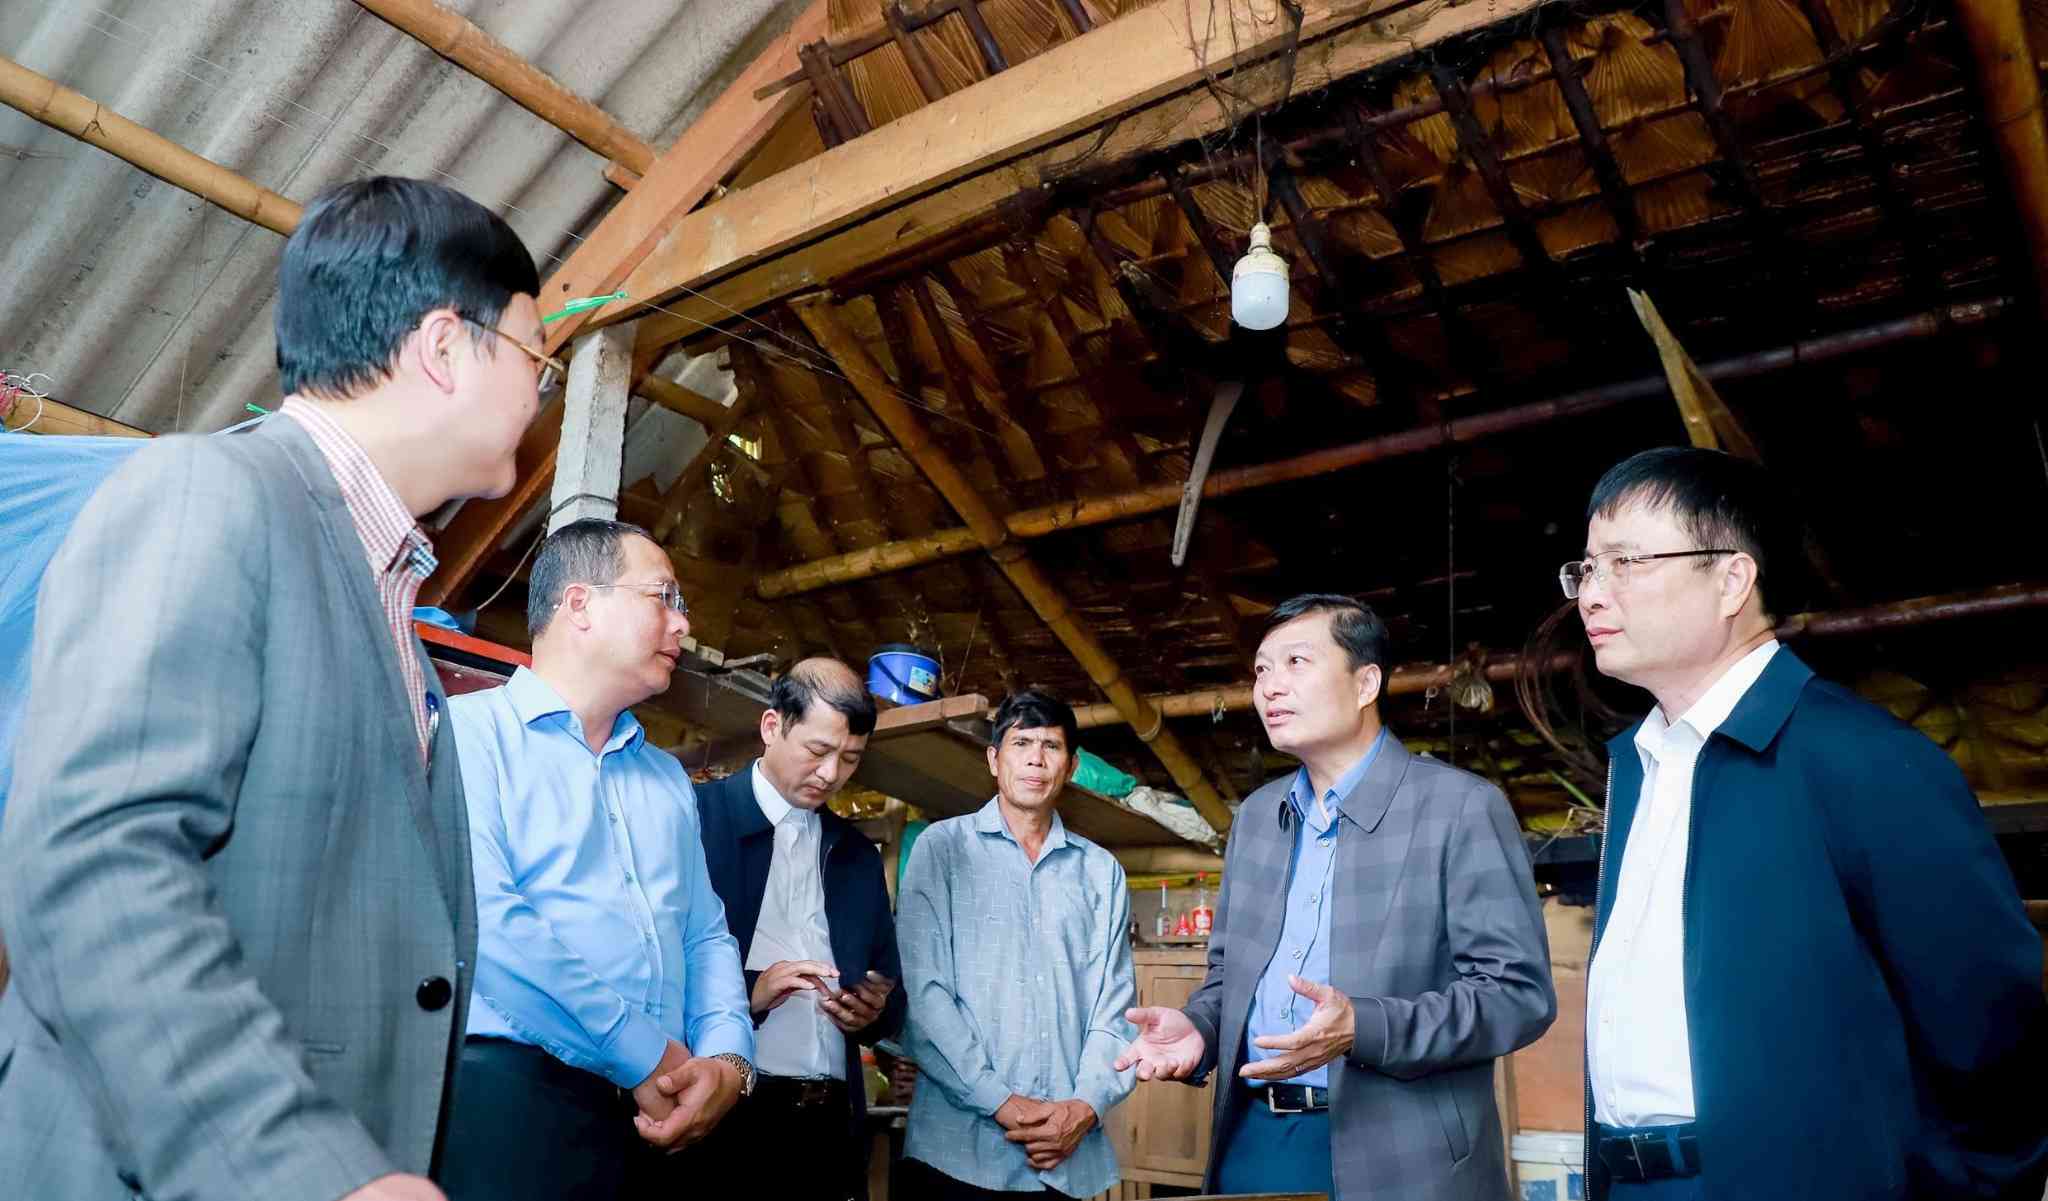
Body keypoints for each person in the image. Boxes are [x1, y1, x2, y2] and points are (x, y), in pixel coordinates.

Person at [0, 176, 546, 1201]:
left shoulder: (388, 596)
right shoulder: (207, 493)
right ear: (444, 346)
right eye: (534, 355)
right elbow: (93, 867)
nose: (536, 391)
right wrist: (306, 1169)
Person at [1565, 447, 2048, 1200]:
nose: (1592, 594)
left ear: (1732, 579)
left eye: (1626, 562)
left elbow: (1989, 1027)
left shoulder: (1863, 758)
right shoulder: (1643, 766)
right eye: (1586, 569)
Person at [1116, 593, 1555, 1201]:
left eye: (1297, 663)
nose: (1270, 686)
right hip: (1254, 1138)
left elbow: (1517, 996)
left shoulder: (1459, 807)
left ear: (1366, 682)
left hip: (1409, 1154)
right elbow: (1229, 977)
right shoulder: (1259, 817)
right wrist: (1199, 1028)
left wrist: (1363, 1027)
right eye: (1262, 670)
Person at [437, 518, 755, 1201]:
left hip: (665, 1113)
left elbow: (705, 933)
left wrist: (728, 1061)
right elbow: (489, 923)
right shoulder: (470, 734)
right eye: (664, 597)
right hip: (518, 1102)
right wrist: (647, 1052)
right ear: (579, 603)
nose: (683, 625)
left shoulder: (668, 778)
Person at [896, 689, 1137, 1201]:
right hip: (957, 1155)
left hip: (1068, 1156)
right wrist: (1003, 1102)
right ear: (993, 758)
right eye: (1021, 742)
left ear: (1070, 766)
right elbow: (925, 997)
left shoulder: (1101, 872)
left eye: (1050, 746)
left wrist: (1084, 1107)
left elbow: (1113, 1013)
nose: (1035, 758)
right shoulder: (941, 850)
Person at [682, 657, 906, 1201]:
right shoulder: (696, 817)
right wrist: (749, 993)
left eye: (850, 759)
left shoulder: (855, 856)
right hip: (725, 1113)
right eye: (817, 751)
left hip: (829, 1124)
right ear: (772, 726)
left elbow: (892, 994)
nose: (831, 774)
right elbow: (652, 970)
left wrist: (873, 1013)